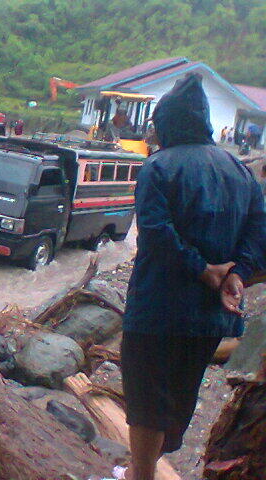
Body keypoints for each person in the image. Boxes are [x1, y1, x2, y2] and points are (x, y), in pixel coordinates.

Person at [121, 74, 266, 480]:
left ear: (168, 124)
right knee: (181, 394)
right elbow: (259, 232)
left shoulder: (158, 166)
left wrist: (203, 271)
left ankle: (142, 475)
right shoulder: (240, 171)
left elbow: (154, 233)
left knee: (146, 399)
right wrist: (237, 273)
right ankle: (145, 468)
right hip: (209, 319)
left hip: (157, 311)